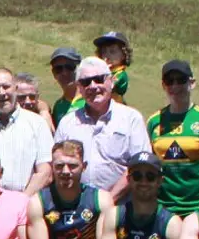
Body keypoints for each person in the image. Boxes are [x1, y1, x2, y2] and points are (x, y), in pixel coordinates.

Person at [54, 57, 151, 198]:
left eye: (99, 79)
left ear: (111, 82)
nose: (93, 86)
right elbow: (58, 164)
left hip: (120, 207)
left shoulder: (131, 119)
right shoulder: (67, 123)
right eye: (86, 82)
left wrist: (108, 201)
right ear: (79, 88)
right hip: (77, 207)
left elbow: (139, 165)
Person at [148, 60, 199, 215]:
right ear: (163, 86)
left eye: (181, 80)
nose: (175, 86)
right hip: (163, 208)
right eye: (170, 82)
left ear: (192, 83)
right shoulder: (154, 122)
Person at [0, 68, 52, 194]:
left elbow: (45, 171)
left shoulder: (38, 124)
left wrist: (21, 201)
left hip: (26, 203)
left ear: (16, 88)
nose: (1, 93)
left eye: (6, 86)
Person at [47, 47, 83, 124]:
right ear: (54, 74)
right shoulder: (58, 106)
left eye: (70, 67)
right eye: (58, 69)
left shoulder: (91, 99)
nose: (65, 73)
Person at [93, 31, 133, 99]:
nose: (107, 55)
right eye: (104, 51)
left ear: (124, 55)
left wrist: (102, 71)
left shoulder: (120, 74)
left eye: (112, 51)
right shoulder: (103, 69)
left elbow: (107, 86)